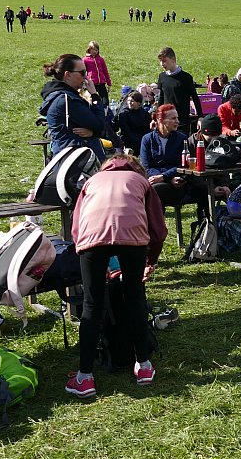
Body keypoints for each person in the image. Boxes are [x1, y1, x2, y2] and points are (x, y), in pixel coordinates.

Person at [65, 154, 167, 398]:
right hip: (133, 238)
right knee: (135, 298)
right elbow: (158, 229)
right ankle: (143, 365)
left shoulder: (92, 181)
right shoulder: (141, 182)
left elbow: (76, 225)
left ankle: (84, 377)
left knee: (91, 305)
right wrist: (150, 260)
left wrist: (86, 251)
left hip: (92, 238)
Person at [140, 104, 208, 218]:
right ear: (161, 120)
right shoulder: (147, 139)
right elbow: (146, 167)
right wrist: (164, 177)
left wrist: (165, 177)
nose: (177, 121)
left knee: (154, 191)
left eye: (177, 118)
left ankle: (156, 227)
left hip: (177, 183)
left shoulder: (181, 139)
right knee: (151, 190)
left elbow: (182, 165)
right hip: (156, 180)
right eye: (173, 118)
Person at [40, 54, 107, 159]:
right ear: (68, 75)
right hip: (76, 161)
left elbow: (99, 127)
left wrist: (93, 132)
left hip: (76, 157)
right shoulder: (67, 100)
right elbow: (100, 124)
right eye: (82, 73)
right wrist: (94, 96)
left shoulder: (65, 96)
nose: (85, 77)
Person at [155, 47, 202, 128]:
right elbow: (162, 97)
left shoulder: (186, 77)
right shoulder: (162, 76)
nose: (162, 64)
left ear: (173, 59)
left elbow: (195, 97)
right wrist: (157, 117)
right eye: (160, 61)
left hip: (182, 121)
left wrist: (200, 116)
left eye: (164, 61)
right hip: (166, 120)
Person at [114, 91, 152, 155]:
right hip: (129, 142)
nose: (129, 103)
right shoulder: (124, 114)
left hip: (142, 140)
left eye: (132, 101)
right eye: (128, 101)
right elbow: (125, 131)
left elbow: (147, 128)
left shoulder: (144, 113)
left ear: (138, 103)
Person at [83, 41, 112, 107]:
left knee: (105, 100)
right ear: (89, 49)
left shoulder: (101, 59)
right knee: (91, 100)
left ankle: (106, 111)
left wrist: (109, 83)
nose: (95, 51)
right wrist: (84, 82)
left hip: (101, 83)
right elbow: (83, 72)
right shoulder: (85, 60)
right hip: (92, 83)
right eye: (93, 50)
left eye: (96, 50)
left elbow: (105, 71)